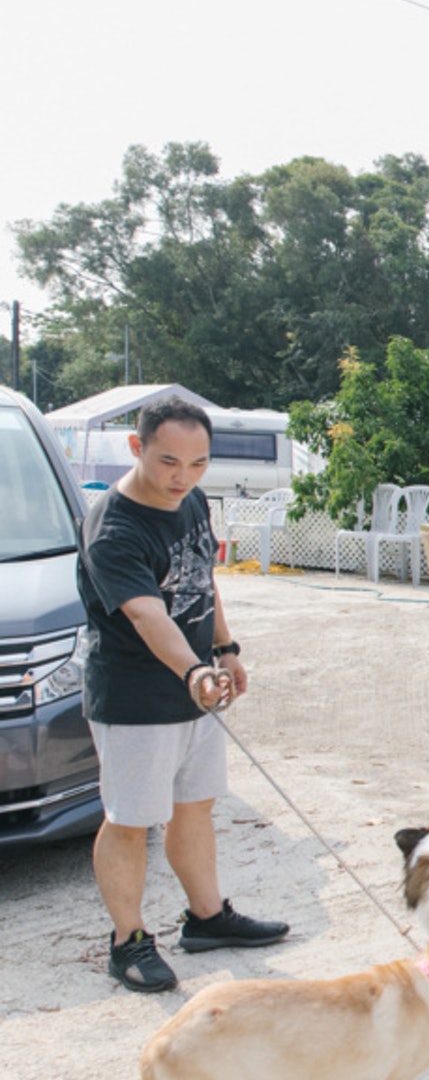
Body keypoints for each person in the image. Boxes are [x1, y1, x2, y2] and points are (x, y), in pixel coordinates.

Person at [78, 397, 289, 993]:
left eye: (198, 464)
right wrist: (196, 671)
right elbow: (147, 616)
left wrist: (225, 650)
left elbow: (203, 577)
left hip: (194, 687)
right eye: (170, 461)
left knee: (196, 804)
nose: (184, 477)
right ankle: (128, 941)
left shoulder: (190, 499)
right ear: (136, 447)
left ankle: (206, 917)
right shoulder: (113, 527)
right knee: (131, 818)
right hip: (136, 700)